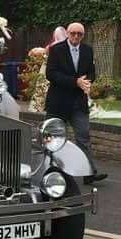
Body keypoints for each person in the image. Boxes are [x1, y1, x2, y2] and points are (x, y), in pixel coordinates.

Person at [45, 22, 107, 185]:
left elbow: (91, 71)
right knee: (54, 138)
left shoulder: (87, 50)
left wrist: (87, 81)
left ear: (83, 35)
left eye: (80, 34)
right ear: (67, 33)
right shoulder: (56, 50)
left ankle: (88, 173)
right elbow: (51, 74)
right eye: (73, 33)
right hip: (58, 102)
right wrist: (75, 82)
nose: (76, 36)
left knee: (83, 137)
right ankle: (52, 171)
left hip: (78, 103)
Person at [27, 26, 67, 112]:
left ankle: (38, 107)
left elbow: (45, 55)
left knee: (43, 87)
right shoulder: (66, 45)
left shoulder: (51, 45)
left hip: (47, 68)